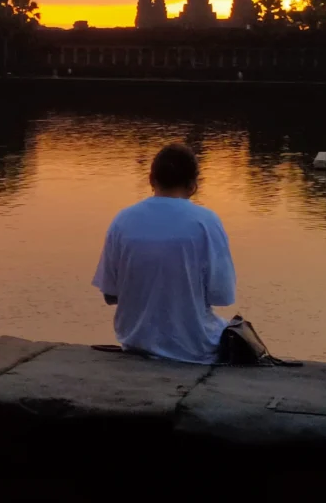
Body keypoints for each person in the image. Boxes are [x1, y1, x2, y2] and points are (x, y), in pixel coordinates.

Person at [91, 143, 236, 364]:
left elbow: (110, 295)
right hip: (194, 348)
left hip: (134, 342)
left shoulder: (123, 220)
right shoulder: (206, 221)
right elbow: (222, 296)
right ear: (192, 185)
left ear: (151, 180)